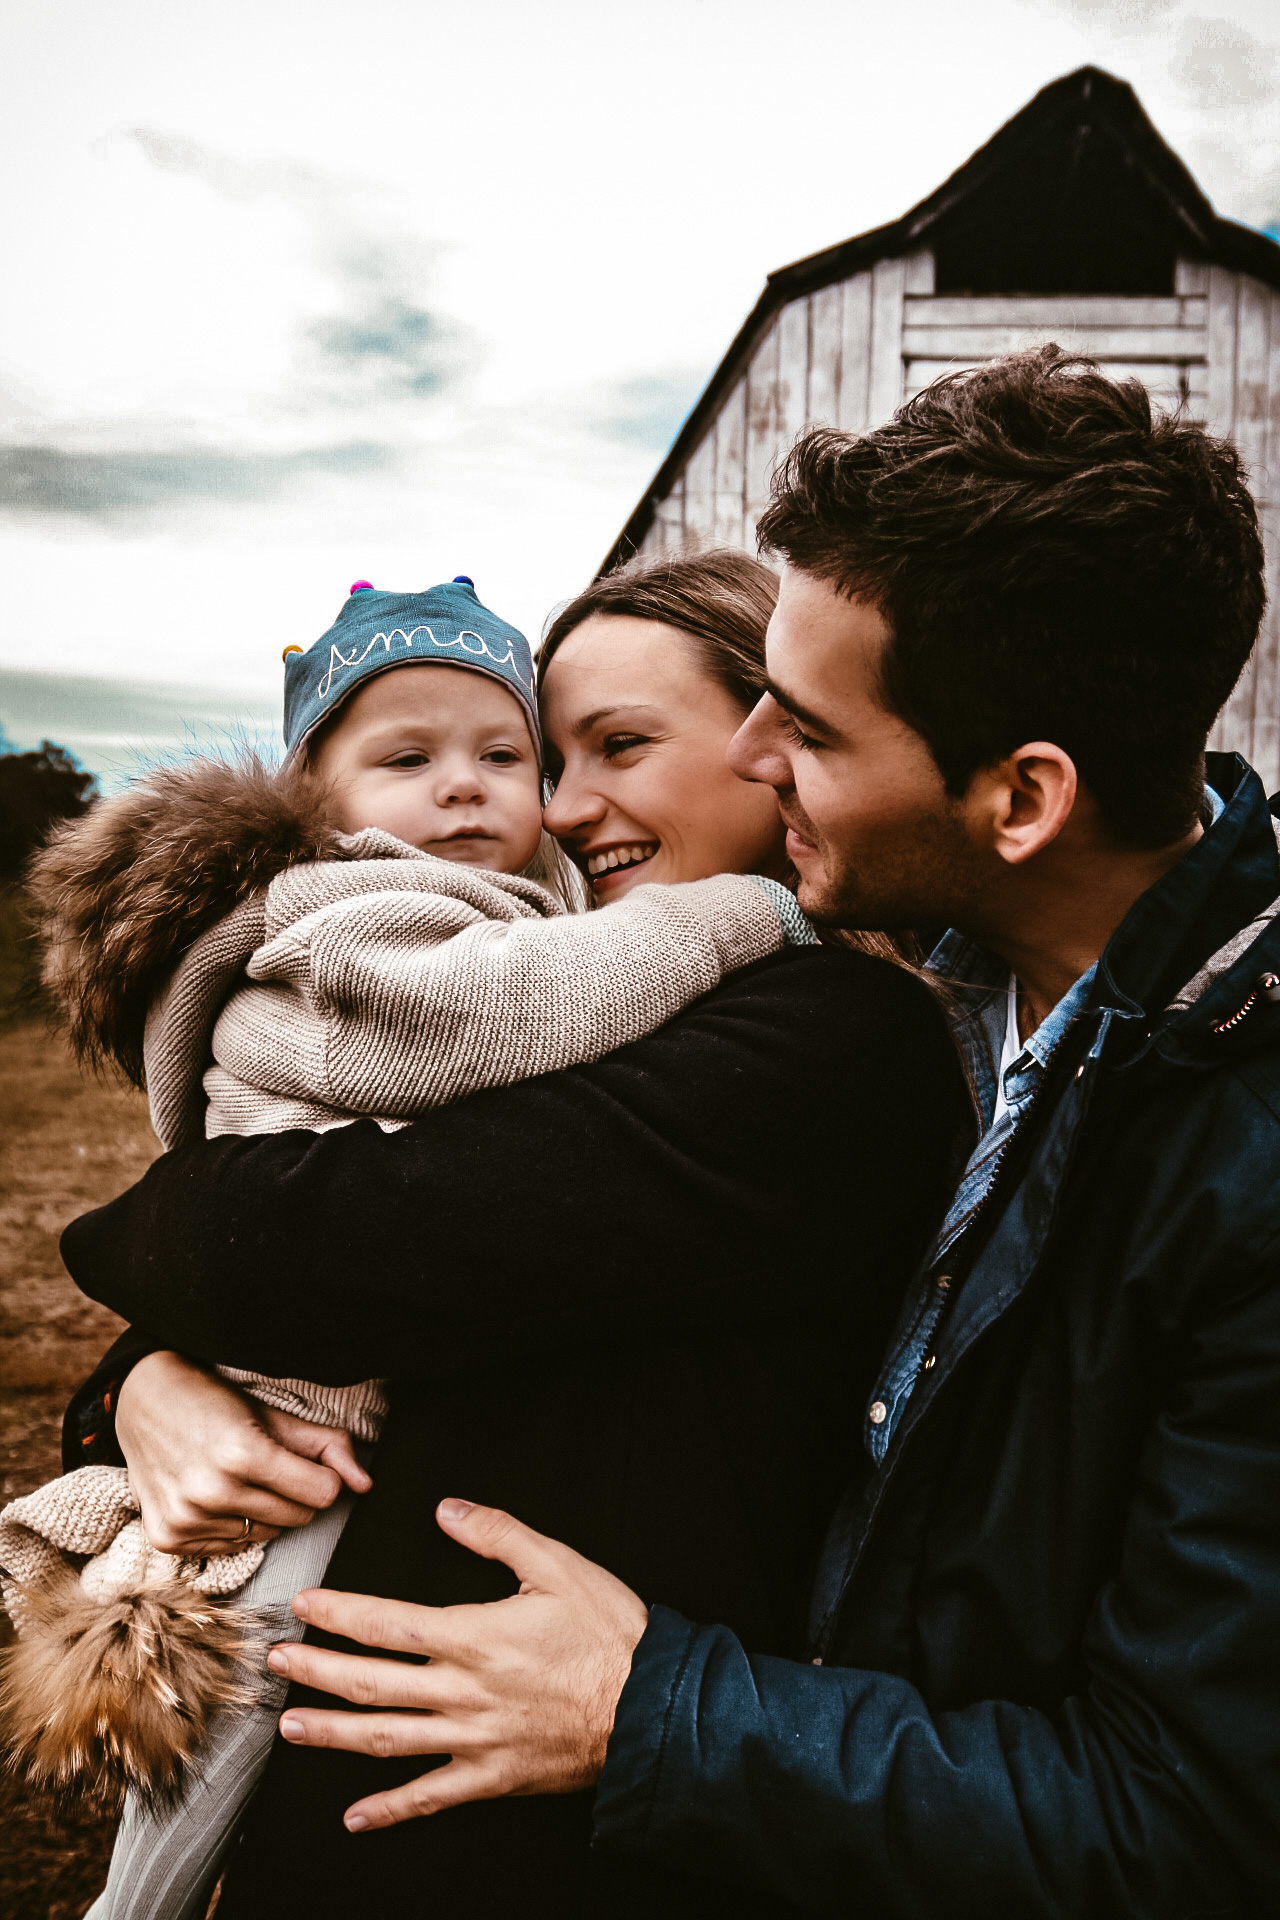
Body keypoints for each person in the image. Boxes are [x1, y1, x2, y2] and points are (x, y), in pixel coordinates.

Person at [113, 345, 1280, 1918]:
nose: (746, 756)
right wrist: (153, 1390)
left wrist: (659, 1711)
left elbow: (1188, 1824)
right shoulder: (962, 991)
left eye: (800, 724)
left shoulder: (1117, 1113)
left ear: (1023, 799)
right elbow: (418, 1306)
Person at [56, 549, 969, 1918]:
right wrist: (148, 1388)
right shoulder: (576, 998)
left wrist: (145, 1299)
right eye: (557, 755)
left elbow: (300, 1244)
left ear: (772, 748)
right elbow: (357, 1257)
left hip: (579, 1819)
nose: (558, 803)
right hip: (407, 1741)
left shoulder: (835, 1038)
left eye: (619, 746)